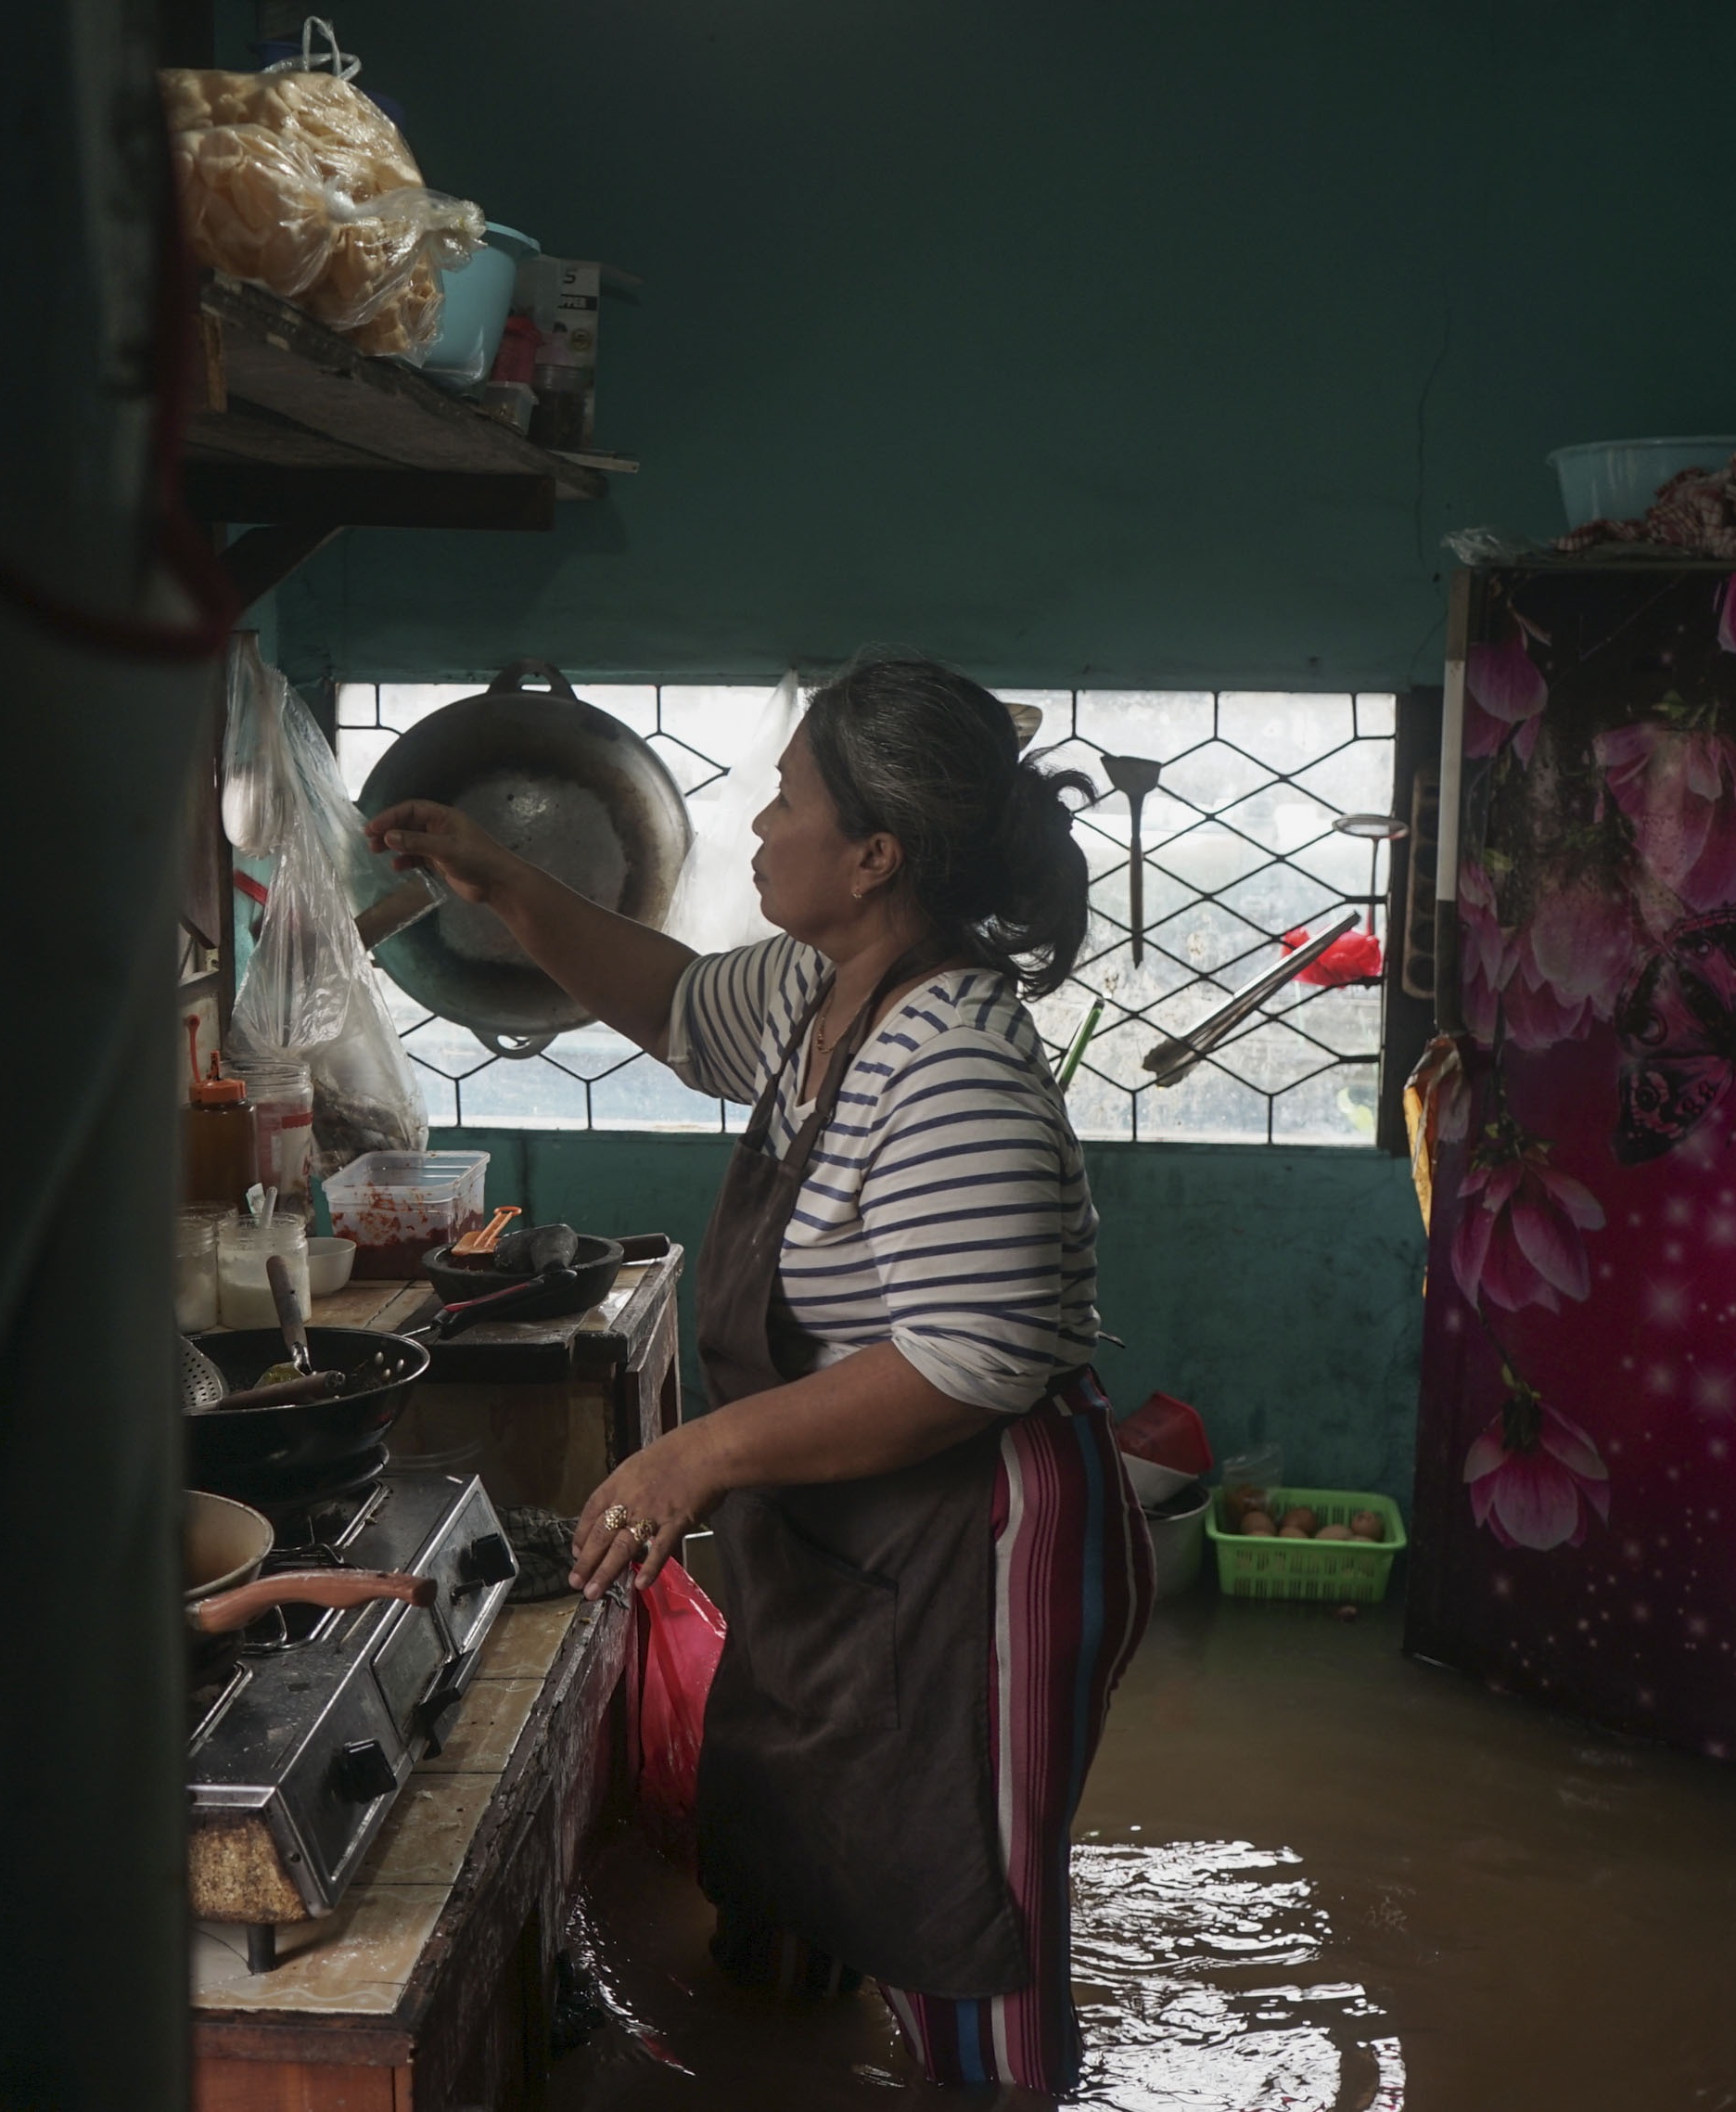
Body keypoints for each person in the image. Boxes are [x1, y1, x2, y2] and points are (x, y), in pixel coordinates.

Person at [367, 655, 1150, 2096]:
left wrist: (695, 1453)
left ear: (875, 853)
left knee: (966, 1904)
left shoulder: (952, 1056)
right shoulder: (819, 988)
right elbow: (672, 1001)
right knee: (796, 1859)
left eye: (787, 799)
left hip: (979, 1545)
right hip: (856, 1540)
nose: (755, 825)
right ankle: (784, 2058)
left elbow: (966, 1365)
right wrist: (503, 878)